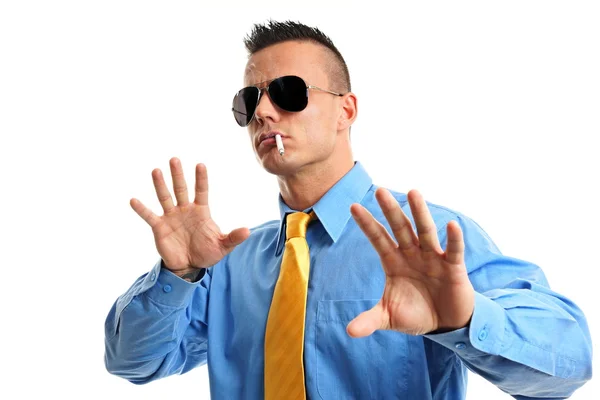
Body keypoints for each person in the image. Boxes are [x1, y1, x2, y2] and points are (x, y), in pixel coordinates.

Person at [104, 20, 592, 399]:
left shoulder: (426, 239)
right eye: (249, 100)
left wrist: (464, 320)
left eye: (288, 92)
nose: (264, 113)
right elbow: (134, 363)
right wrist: (179, 274)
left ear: (347, 110)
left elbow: (570, 360)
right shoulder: (226, 262)